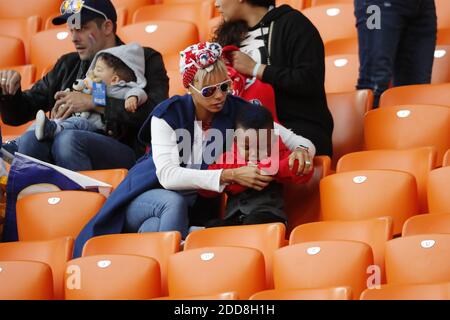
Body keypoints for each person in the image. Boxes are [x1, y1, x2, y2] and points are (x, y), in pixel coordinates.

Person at [73, 42, 316, 257]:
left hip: (194, 207)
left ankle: (154, 269)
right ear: (189, 88)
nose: (220, 96)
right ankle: (172, 269)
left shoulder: (237, 109)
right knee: (172, 203)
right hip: (147, 193)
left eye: (225, 86)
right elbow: (167, 176)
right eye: (209, 91)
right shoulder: (167, 114)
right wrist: (229, 175)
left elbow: (300, 142)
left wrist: (302, 153)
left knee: (154, 228)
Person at [0, 0, 169, 171]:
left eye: (81, 28)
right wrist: (9, 92)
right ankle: (33, 195)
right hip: (65, 149)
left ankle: (84, 196)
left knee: (68, 139)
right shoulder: (68, 64)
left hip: (124, 154)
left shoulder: (144, 59)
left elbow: (158, 114)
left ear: (107, 27)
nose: (74, 38)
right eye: (71, 30)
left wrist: (94, 102)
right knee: (31, 138)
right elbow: (18, 114)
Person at [213, 0, 334, 157]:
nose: (216, 4)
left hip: (297, 130)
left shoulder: (293, 24)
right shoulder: (227, 36)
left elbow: (309, 80)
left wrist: (256, 69)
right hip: (244, 133)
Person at [200, 103, 314, 227]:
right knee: (212, 227)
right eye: (247, 147)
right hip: (234, 218)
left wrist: (269, 169)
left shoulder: (280, 154)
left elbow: (301, 172)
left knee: (253, 223)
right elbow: (205, 188)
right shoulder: (227, 158)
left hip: (268, 216)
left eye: (262, 147)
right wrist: (231, 176)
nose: (254, 154)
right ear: (236, 140)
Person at [34, 42, 148, 141]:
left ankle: (54, 129)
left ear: (115, 79)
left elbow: (139, 92)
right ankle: (19, 142)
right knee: (41, 127)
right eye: (94, 69)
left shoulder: (122, 88)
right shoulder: (98, 85)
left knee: (77, 123)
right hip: (82, 119)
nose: (93, 73)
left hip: (96, 129)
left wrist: (133, 98)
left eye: (99, 70)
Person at [355, 0, 437, 107]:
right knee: (374, 83)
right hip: (378, 5)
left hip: (423, 5)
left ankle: (407, 124)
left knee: (416, 90)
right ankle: (368, 123)